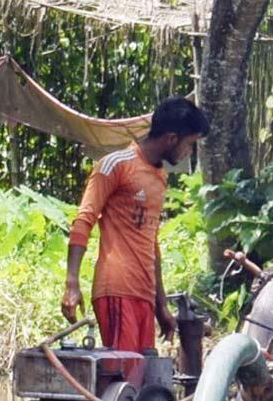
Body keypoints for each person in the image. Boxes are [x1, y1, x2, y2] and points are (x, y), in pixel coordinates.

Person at [62, 96, 209, 352]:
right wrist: (72, 283)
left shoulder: (160, 177)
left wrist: (160, 304)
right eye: (189, 144)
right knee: (123, 379)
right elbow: (83, 221)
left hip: (144, 294)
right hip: (117, 289)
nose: (189, 152)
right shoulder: (115, 165)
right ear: (171, 138)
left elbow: (151, 243)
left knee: (142, 381)